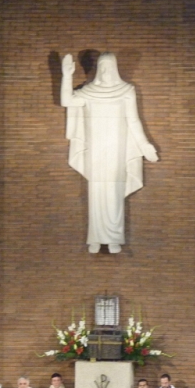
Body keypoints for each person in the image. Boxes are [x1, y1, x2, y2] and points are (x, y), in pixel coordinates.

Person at [61, 52, 159, 253]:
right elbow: (67, 101)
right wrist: (66, 76)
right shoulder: (88, 92)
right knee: (96, 191)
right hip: (96, 148)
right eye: (102, 67)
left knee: (114, 192)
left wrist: (145, 145)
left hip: (116, 147)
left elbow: (133, 120)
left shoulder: (126, 91)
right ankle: (95, 238)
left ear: (114, 68)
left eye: (109, 67)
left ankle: (114, 238)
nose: (105, 71)